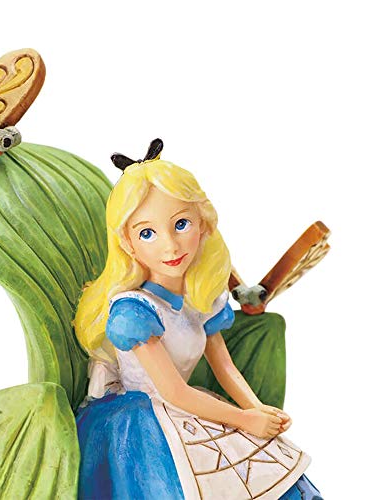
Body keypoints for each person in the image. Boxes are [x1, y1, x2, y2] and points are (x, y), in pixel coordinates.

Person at [73, 140, 321, 499]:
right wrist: (245, 419)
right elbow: (173, 391)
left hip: (187, 407)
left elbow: (225, 367)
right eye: (147, 233)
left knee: (266, 468)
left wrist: (256, 408)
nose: (170, 246)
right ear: (128, 243)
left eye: (181, 224)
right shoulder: (134, 311)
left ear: (203, 225)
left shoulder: (199, 299)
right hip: (142, 421)